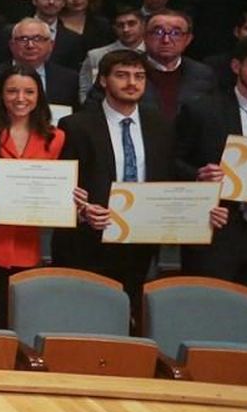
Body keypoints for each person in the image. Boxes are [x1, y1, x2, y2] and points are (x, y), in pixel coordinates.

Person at [53, 50, 219, 311]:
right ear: (103, 80)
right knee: (82, 314)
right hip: (87, 241)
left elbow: (170, 173)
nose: (132, 82)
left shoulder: (161, 125)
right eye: (122, 75)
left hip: (141, 240)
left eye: (139, 76)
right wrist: (82, 211)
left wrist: (202, 195)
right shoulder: (76, 125)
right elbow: (62, 184)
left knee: (130, 314)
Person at [175, 34, 247, 294]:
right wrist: (198, 176)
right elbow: (170, 161)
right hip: (217, 229)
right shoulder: (202, 111)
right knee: (206, 308)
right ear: (236, 66)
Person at [0, 67, 71, 325]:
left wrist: (67, 197)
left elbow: (56, 187)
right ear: (1, 95)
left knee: (16, 322)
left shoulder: (55, 138)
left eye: (29, 92)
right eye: (12, 91)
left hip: (26, 247)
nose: (21, 98)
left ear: (39, 95)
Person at [0, 18, 80, 120]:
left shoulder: (69, 79)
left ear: (51, 45)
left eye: (38, 38)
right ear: (12, 45)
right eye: (23, 39)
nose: (30, 45)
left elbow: (75, 119)